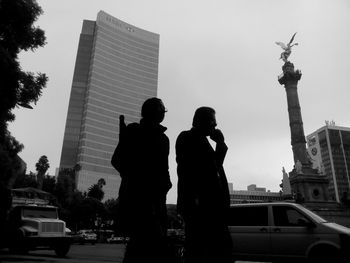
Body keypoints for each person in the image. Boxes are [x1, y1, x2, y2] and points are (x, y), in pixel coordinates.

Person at [111, 97, 172, 263]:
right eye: (161, 109)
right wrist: (135, 180)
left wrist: (166, 184)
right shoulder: (134, 131)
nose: (163, 113)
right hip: (138, 199)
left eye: (163, 110)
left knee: (141, 248)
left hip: (158, 198)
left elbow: (163, 168)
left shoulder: (163, 139)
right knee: (152, 246)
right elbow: (117, 160)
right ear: (151, 112)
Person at [176, 107, 232, 263]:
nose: (215, 125)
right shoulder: (187, 137)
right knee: (201, 251)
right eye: (212, 121)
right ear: (201, 121)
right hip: (200, 206)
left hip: (211, 206)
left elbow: (215, 167)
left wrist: (220, 144)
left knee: (216, 251)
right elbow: (198, 171)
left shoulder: (203, 140)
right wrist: (220, 144)